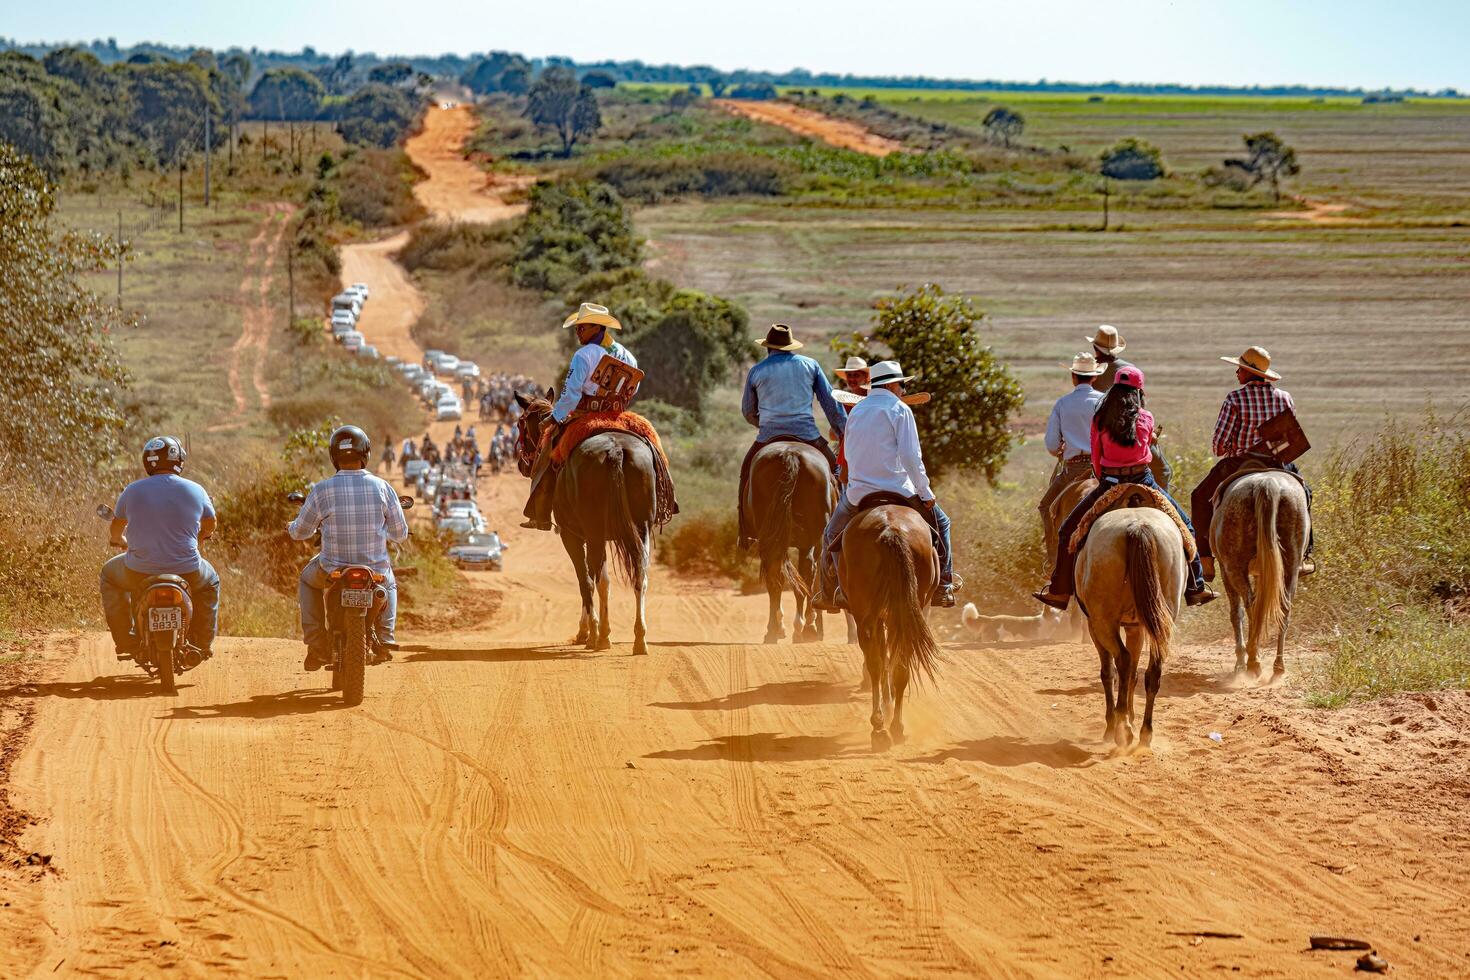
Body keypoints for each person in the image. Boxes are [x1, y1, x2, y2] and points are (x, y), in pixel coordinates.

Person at [1032, 367, 1216, 610]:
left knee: (1067, 531)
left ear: (1115, 389)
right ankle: (1196, 587)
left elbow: (1097, 458)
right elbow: (1148, 453)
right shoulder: (1146, 417)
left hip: (1109, 483)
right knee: (1187, 528)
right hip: (1144, 481)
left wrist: (1104, 477)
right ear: (1139, 391)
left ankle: (1060, 591)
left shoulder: (1100, 418)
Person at [813, 361, 955, 610]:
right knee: (942, 524)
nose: (902, 390)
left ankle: (833, 590)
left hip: (859, 494)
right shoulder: (900, 409)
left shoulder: (856, 411)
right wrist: (925, 491)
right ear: (891, 384)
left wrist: (858, 482)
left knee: (831, 534)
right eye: (901, 385)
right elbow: (911, 457)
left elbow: (851, 454)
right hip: (900, 489)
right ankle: (943, 586)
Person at [288, 425, 409, 670]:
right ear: (365, 453)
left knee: (307, 580)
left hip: (332, 569)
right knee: (389, 581)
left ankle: (316, 644)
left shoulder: (321, 490)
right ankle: (385, 637)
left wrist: (291, 525)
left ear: (334, 456)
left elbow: (301, 532)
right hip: (374, 570)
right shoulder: (383, 487)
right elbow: (400, 534)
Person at [1190, 346, 1315, 581]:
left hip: (1239, 463)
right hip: (1277, 464)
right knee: (1306, 495)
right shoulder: (1284, 397)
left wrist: (1233, 446)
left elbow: (1219, 445)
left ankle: (1205, 560)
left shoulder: (1235, 398)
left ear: (1249, 373)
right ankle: (1304, 556)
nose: (1237, 372)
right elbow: (1289, 435)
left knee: (1199, 497)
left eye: (1240, 368)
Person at [100, 436, 221, 660]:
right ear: (179, 460)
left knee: (108, 575)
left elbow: (116, 528)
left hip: (138, 571)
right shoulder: (197, 490)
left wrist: (119, 540)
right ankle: (203, 643)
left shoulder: (132, 490)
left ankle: (125, 639)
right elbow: (211, 522)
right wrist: (203, 536)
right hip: (188, 570)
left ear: (147, 461)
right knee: (211, 581)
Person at [522, 302, 639, 530]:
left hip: (586, 416)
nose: (578, 332)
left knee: (548, 450)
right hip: (618, 417)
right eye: (578, 328)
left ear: (597, 327)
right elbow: (633, 390)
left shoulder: (583, 355)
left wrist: (554, 418)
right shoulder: (628, 355)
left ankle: (541, 515)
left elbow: (570, 394)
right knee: (651, 441)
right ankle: (667, 498)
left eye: (582, 327)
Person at [736, 324, 847, 549]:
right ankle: (842, 529)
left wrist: (764, 423)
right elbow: (830, 404)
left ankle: (745, 532)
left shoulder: (757, 370)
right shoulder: (811, 365)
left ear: (768, 348)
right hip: (808, 435)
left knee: (746, 473)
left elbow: (748, 411)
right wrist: (844, 431)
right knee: (838, 474)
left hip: (768, 436)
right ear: (790, 346)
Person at [1039, 352, 1106, 564]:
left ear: (1073, 377)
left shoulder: (1062, 403)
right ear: (1094, 377)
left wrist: (1061, 448)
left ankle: (1052, 560)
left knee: (1046, 506)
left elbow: (1051, 445)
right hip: (1105, 469)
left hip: (1074, 469)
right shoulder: (1104, 400)